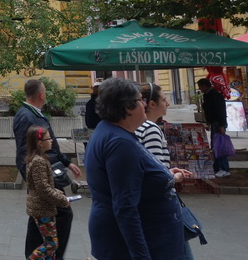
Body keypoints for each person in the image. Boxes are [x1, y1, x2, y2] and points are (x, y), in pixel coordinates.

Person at [85, 77, 183, 260]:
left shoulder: (110, 131)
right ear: (127, 107)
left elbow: (131, 179)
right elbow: (125, 207)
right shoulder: (120, 143)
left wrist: (162, 175)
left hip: (128, 237)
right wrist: (141, 255)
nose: (145, 104)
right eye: (140, 100)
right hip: (126, 244)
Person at [13, 79, 80, 260]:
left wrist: (66, 162)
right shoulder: (26, 116)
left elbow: (51, 146)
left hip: (46, 174)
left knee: (39, 217)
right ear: (41, 95)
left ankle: (44, 255)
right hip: (43, 177)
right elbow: (23, 152)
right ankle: (48, 255)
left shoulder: (34, 114)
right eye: (46, 93)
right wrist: (33, 181)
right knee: (62, 213)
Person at [135, 83, 194, 260]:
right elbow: (157, 177)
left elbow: (150, 167)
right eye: (164, 99)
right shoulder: (151, 129)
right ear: (151, 104)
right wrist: (175, 176)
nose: (167, 104)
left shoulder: (137, 127)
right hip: (162, 207)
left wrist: (167, 171)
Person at [25, 125, 70, 260]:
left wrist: (59, 193)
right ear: (40, 143)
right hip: (42, 209)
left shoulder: (38, 159)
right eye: (48, 138)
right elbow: (43, 189)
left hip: (42, 207)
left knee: (50, 247)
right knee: (51, 244)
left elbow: (44, 186)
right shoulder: (39, 162)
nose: (51, 140)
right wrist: (62, 200)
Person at [198, 78, 230, 177]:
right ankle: (217, 166)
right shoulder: (208, 95)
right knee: (216, 146)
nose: (200, 89)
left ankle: (224, 168)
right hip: (214, 123)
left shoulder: (214, 95)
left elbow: (220, 111)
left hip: (217, 123)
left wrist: (221, 125)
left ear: (205, 86)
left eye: (200, 87)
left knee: (219, 145)